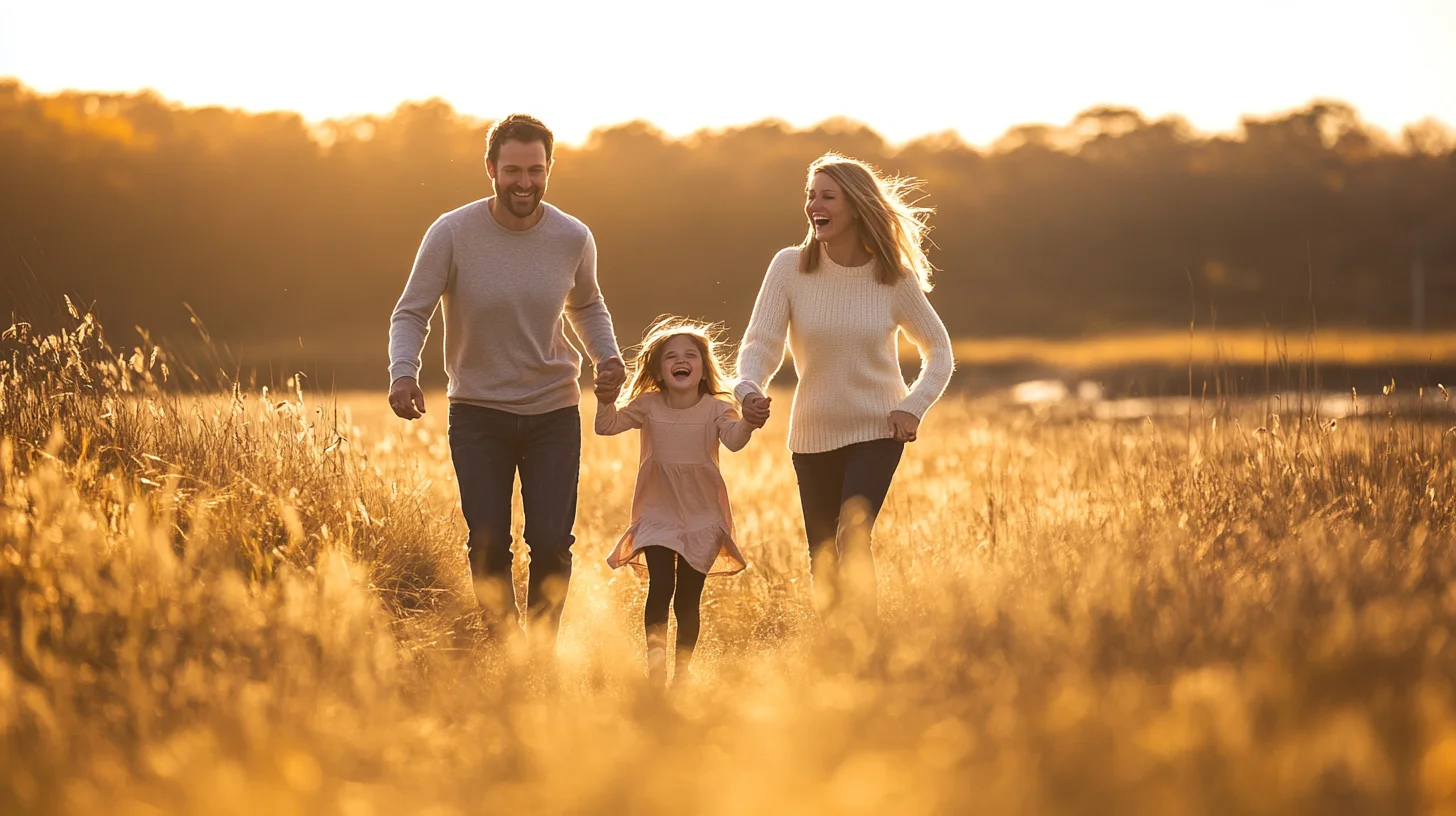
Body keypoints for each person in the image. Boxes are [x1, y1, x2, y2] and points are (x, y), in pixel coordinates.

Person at [387, 114, 625, 651]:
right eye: (513, 170)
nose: (524, 182)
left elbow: (587, 304)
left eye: (536, 171)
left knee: (551, 540)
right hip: (477, 411)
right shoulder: (452, 233)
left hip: (553, 410)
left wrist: (606, 355)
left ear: (549, 170)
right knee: (488, 542)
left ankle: (539, 654)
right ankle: (505, 647)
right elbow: (411, 312)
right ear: (491, 168)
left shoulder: (572, 236)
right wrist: (403, 372)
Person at [734, 153, 955, 620]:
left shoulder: (893, 277)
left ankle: (863, 644)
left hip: (878, 430)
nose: (815, 204)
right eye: (810, 196)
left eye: (827, 196)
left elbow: (940, 351)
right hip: (812, 434)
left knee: (851, 537)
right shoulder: (789, 267)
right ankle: (836, 652)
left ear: (854, 206)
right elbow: (761, 343)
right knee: (823, 552)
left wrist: (913, 406)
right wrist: (748, 387)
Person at [595, 317, 765, 685]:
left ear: (703, 368)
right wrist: (605, 400)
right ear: (658, 368)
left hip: (703, 514)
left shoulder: (718, 409)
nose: (680, 360)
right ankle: (656, 668)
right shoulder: (648, 405)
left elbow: (734, 441)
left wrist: (749, 421)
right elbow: (606, 426)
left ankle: (682, 674)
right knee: (661, 586)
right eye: (670, 356)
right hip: (658, 510)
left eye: (690, 355)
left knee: (688, 598)